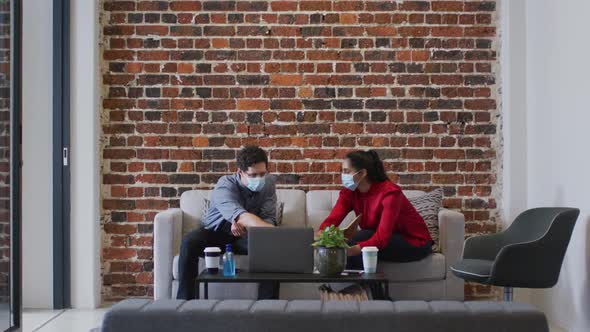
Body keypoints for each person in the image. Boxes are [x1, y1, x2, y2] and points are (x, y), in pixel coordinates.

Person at [176, 146, 278, 300]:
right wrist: (275, 233)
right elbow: (241, 216)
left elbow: (269, 217)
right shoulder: (225, 184)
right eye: (253, 175)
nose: (259, 179)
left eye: (262, 174)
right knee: (190, 241)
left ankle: (268, 306)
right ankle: (184, 303)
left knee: (270, 247)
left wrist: (260, 232)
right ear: (240, 172)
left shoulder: (269, 184)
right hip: (216, 233)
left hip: (247, 234)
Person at [318, 150, 433, 270]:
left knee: (359, 240)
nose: (343, 176)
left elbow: (382, 238)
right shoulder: (349, 193)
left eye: (347, 171)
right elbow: (333, 219)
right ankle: (357, 287)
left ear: (362, 173)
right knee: (354, 240)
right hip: (381, 237)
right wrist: (322, 234)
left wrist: (353, 250)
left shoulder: (390, 193)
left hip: (413, 242)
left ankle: (359, 288)